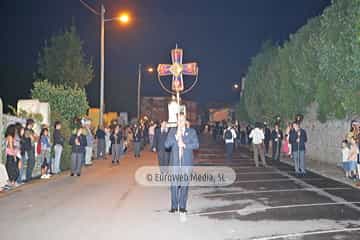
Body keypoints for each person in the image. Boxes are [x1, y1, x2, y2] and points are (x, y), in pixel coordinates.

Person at [165, 113, 199, 218]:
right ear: (177, 121)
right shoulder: (172, 131)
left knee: (184, 185)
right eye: (178, 120)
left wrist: (185, 145)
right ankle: (174, 206)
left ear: (185, 121)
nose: (180, 122)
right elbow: (166, 145)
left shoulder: (191, 132)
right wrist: (175, 137)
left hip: (186, 163)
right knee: (174, 185)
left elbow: (196, 145)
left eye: (182, 119)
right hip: (175, 163)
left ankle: (183, 206)